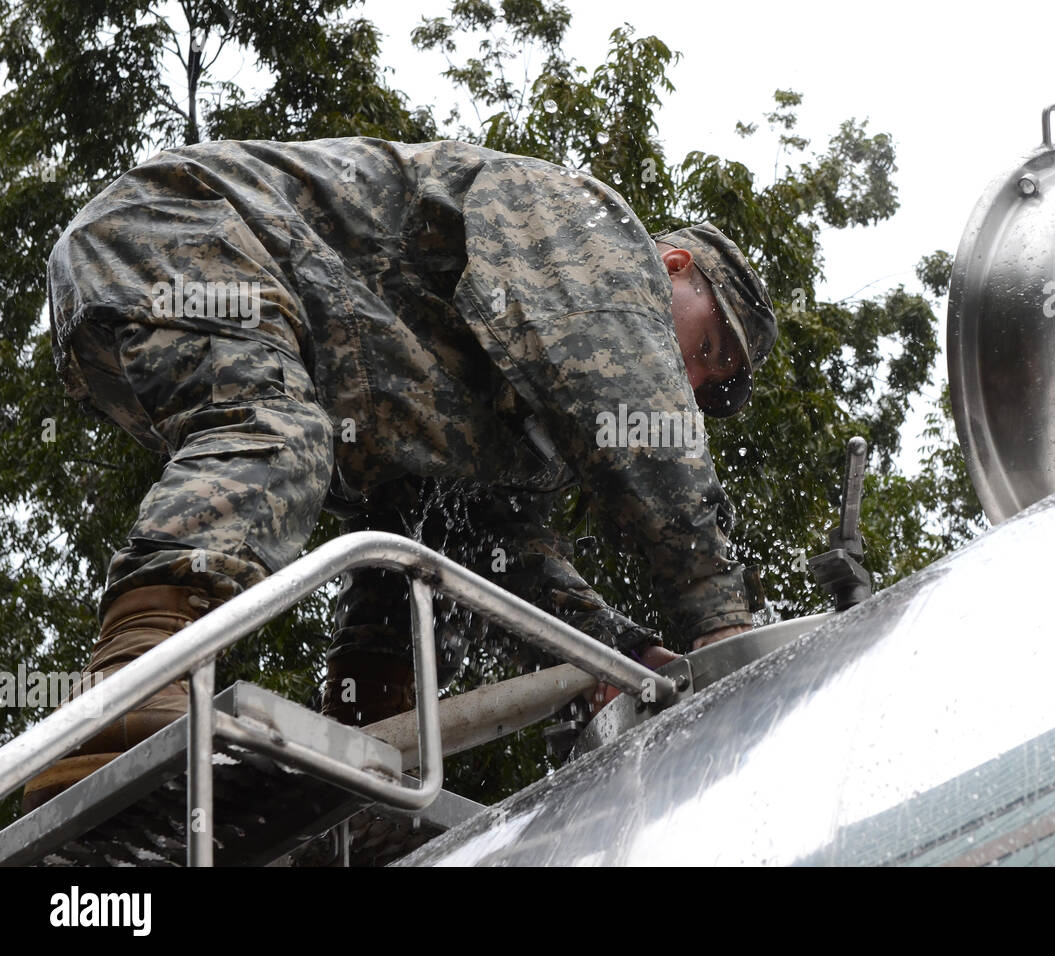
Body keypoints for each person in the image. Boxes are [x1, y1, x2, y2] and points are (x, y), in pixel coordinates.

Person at [21, 137, 777, 811]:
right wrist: (727, 631)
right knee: (278, 436)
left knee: (420, 557)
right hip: (180, 228)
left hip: (186, 283)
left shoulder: (514, 417)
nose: (690, 379)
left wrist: (615, 653)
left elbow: (495, 551)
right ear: (675, 266)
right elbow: (639, 410)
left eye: (708, 388)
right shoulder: (598, 238)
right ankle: (127, 700)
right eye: (708, 349)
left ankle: (363, 779)